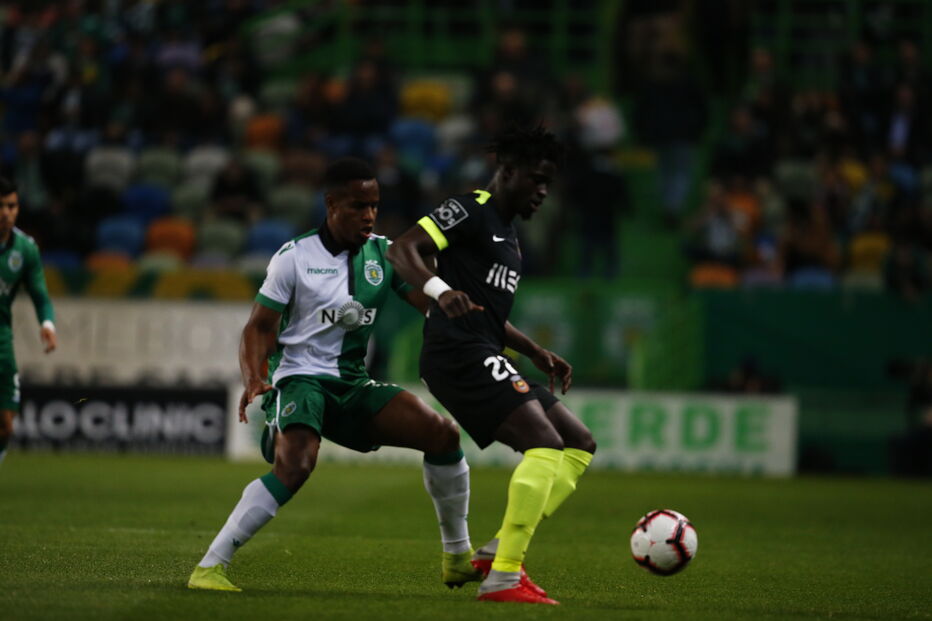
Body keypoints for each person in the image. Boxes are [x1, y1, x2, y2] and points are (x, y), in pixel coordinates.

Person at [188, 158, 481, 592]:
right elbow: (259, 327)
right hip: (300, 378)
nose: (369, 215)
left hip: (352, 382)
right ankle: (210, 567)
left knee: (443, 435)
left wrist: (458, 312)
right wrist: (254, 378)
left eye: (375, 206)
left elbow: (428, 302)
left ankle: (458, 556)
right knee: (297, 466)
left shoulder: (383, 254)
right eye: (358, 206)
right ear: (331, 204)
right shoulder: (294, 257)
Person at [387, 126, 597, 605]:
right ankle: (505, 576)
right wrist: (441, 291)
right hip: (455, 353)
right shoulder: (470, 209)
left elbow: (487, 312)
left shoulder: (510, 238)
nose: (543, 191)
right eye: (536, 179)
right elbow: (403, 250)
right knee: (543, 444)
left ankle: (497, 550)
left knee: (578, 443)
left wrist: (534, 351)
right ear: (506, 172)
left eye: (550, 182)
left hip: (483, 348)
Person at [0, 176, 57, 467]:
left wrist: (47, 324)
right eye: (1, 206)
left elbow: (41, 295)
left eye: (12, 206)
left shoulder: (25, 249)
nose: (7, 213)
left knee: (6, 425)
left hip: (2, 342)